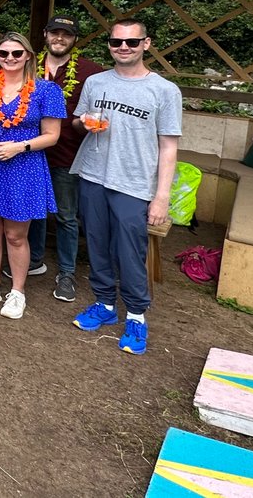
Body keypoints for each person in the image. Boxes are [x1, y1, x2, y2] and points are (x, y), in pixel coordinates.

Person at [70, 19, 181, 355]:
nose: (123, 48)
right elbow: (77, 122)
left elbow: (169, 147)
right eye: (116, 42)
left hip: (133, 183)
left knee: (130, 253)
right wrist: (84, 123)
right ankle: (104, 305)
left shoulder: (164, 90)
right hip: (93, 175)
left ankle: (136, 314)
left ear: (146, 44)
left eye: (131, 43)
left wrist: (161, 196)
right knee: (97, 244)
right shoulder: (95, 81)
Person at [0, 33, 65, 320]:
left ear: (28, 55)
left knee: (16, 235)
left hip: (24, 165)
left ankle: (17, 291)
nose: (10, 59)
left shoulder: (46, 90)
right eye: (3, 54)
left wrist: (19, 147)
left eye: (16, 54)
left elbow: (52, 135)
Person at [33, 15, 103, 302]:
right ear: (46, 35)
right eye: (54, 33)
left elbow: (96, 109)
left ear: (74, 39)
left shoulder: (90, 72)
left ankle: (67, 273)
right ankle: (34, 260)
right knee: (34, 209)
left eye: (66, 35)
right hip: (30, 152)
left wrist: (88, 122)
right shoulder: (27, 64)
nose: (59, 39)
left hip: (67, 153)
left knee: (66, 215)